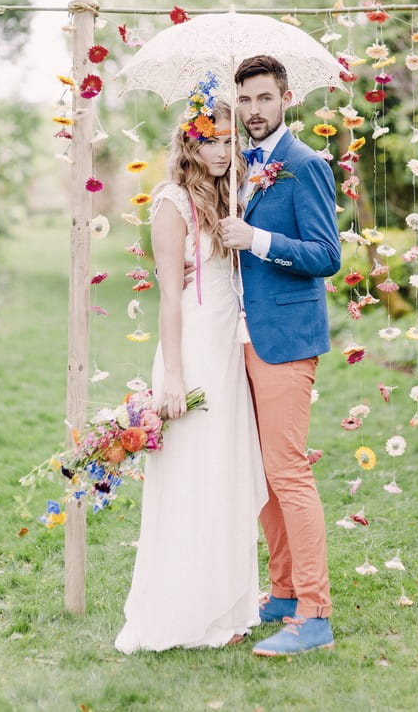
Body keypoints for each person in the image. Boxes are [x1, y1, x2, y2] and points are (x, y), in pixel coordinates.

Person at [115, 79, 267, 653]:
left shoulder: (234, 196)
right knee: (191, 475)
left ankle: (228, 606)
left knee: (225, 470)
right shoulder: (172, 203)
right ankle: (185, 608)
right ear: (191, 142)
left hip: (229, 347)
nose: (224, 151)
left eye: (230, 141)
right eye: (213, 141)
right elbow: (171, 298)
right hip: (191, 350)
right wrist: (172, 376)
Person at [220, 54, 341, 657]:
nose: (253, 111)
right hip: (241, 337)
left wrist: (257, 239)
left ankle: (315, 614)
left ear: (286, 99)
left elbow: (326, 254)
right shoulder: (243, 167)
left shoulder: (305, 164)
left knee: (289, 473)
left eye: (264, 98)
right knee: (263, 476)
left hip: (287, 342)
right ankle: (286, 591)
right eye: (244, 101)